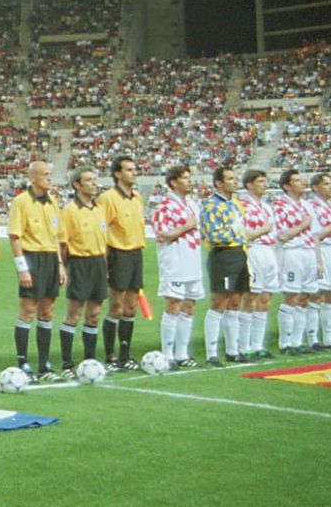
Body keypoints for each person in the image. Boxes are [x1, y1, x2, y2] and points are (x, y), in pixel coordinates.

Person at [8, 160, 66, 381]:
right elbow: (15, 237)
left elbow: (57, 237)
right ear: (33, 177)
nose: (49, 178)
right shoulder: (21, 201)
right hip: (31, 257)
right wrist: (22, 269)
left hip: (50, 258)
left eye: (50, 174)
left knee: (47, 311)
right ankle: (23, 362)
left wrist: (60, 264)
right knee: (28, 310)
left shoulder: (53, 202)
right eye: (45, 174)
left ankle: (44, 364)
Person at [151, 165, 203, 368]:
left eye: (190, 177)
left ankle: (182, 354)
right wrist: (187, 226)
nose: (190, 181)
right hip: (174, 262)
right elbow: (162, 235)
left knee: (189, 307)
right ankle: (167, 355)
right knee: (173, 305)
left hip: (193, 261)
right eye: (185, 178)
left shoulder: (193, 205)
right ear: (173, 182)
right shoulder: (164, 207)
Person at [58, 168, 108, 377]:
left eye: (94, 179)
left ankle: (90, 361)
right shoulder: (70, 211)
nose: (93, 183)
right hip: (79, 263)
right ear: (77, 185)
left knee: (94, 315)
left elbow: (104, 241)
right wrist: (64, 267)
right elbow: (63, 243)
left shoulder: (99, 209)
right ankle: (67, 364)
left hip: (99, 263)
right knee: (74, 314)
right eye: (88, 180)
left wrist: (106, 267)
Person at [99, 157, 146, 370]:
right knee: (116, 306)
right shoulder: (108, 198)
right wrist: (104, 262)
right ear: (118, 174)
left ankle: (125, 355)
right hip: (118, 254)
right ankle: (110, 355)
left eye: (135, 169)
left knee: (131, 307)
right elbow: (102, 231)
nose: (134, 173)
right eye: (129, 170)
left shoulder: (137, 197)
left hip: (136, 253)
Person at [200, 166, 249, 366]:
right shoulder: (211, 205)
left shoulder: (236, 204)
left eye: (235, 178)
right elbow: (213, 236)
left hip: (239, 253)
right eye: (230, 178)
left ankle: (232, 351)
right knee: (219, 303)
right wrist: (235, 229)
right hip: (222, 255)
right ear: (218, 183)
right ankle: (211, 354)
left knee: (235, 302)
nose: (235, 181)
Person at [271, 168, 317, 356]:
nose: (302, 183)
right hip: (291, 252)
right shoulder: (279, 206)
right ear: (287, 186)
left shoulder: (307, 206)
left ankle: (297, 341)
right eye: (297, 180)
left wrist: (318, 259)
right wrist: (303, 225)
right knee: (291, 296)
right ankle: (285, 342)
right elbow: (282, 235)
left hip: (309, 252)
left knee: (305, 297)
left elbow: (315, 234)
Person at [238, 170, 278, 359]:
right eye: (260, 181)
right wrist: (263, 230)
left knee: (265, 299)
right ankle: (244, 346)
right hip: (253, 251)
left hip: (269, 252)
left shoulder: (267, 207)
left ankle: (258, 344)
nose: (265, 184)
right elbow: (242, 234)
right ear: (249, 185)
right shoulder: (242, 206)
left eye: (265, 181)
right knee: (250, 298)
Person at [305, 174, 331, 350]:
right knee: (316, 295)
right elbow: (316, 235)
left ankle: (329, 338)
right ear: (315, 187)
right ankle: (313, 338)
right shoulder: (312, 207)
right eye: (326, 184)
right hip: (322, 249)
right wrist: (318, 260)